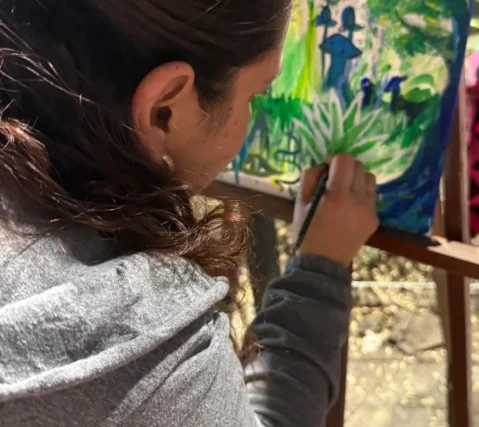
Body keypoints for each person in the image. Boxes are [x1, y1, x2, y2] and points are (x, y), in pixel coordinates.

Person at [0, 1, 379, 426]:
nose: (252, 114)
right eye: (256, 94)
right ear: (165, 110)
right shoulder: (143, 360)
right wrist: (320, 269)